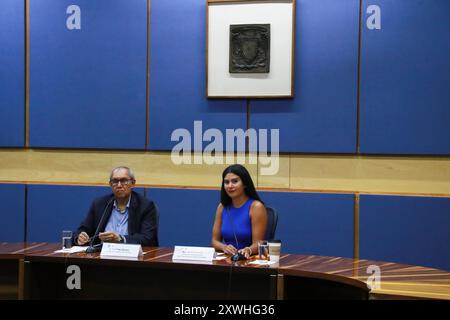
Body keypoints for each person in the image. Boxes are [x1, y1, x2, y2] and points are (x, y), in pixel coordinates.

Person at [74, 166, 158, 247]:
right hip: (102, 255)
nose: (119, 185)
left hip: (132, 256)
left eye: (124, 181)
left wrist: (120, 239)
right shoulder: (100, 204)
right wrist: (80, 237)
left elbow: (148, 239)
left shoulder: (145, 206)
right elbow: (82, 230)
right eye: (115, 181)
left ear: (133, 183)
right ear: (110, 184)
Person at [211, 164, 267, 259]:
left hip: (250, 260)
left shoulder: (256, 207)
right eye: (226, 182)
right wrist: (224, 247)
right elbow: (214, 241)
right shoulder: (222, 207)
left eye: (235, 181)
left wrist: (248, 250)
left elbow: (259, 243)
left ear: (245, 183)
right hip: (228, 260)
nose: (230, 186)